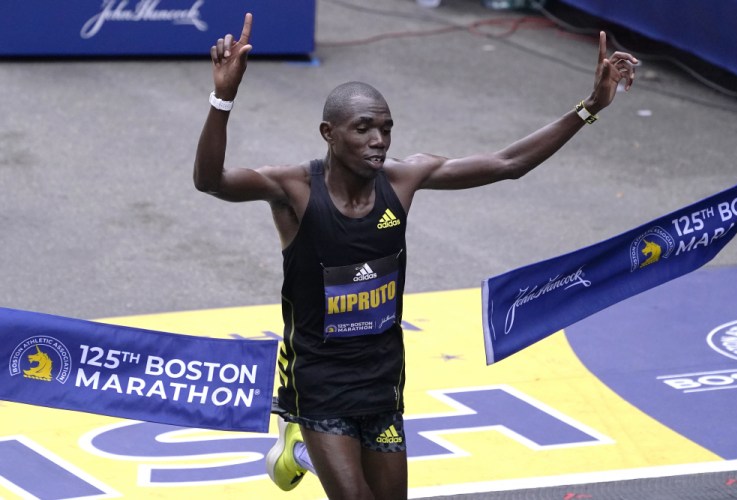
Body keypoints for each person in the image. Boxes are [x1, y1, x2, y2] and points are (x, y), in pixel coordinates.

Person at [193, 12, 637, 500]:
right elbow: (211, 181)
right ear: (329, 133)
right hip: (317, 379)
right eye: (363, 128)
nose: (379, 140)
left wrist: (591, 106)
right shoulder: (293, 190)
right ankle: (300, 443)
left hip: (382, 378)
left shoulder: (403, 179)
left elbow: (509, 164)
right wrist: (223, 97)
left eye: (386, 129)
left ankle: (299, 455)